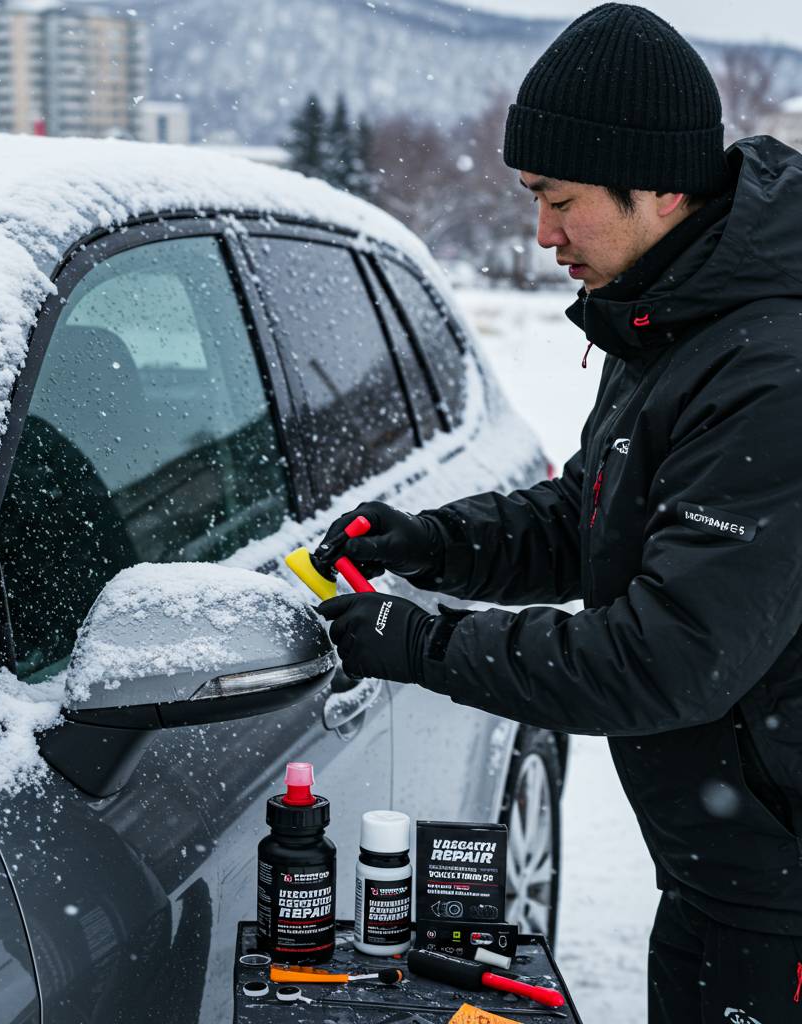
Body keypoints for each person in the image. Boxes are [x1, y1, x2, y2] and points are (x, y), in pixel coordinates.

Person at [314, 4, 802, 1021]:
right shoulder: (674, 319)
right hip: (728, 871)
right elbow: (593, 519)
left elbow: (665, 658)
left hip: (780, 894)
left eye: (557, 200)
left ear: (660, 186)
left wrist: (422, 642)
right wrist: (434, 544)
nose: (540, 236)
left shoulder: (772, 370)